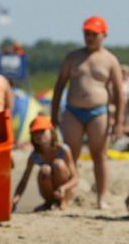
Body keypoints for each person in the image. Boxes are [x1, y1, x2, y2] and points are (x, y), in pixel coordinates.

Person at [51, 16, 124, 209]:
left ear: (104, 35)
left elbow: (118, 93)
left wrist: (118, 122)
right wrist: (53, 115)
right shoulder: (73, 57)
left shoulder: (110, 60)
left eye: (93, 34)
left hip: (98, 112)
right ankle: (66, 197)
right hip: (73, 112)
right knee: (70, 156)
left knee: (99, 156)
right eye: (86, 33)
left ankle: (101, 198)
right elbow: (59, 86)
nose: (89, 37)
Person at [11, 116, 77, 212]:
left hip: (65, 190)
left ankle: (63, 201)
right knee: (45, 169)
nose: (38, 135)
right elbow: (24, 181)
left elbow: (75, 178)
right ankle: (49, 202)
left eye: (42, 131)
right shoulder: (34, 156)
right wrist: (16, 199)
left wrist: (63, 188)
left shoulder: (63, 150)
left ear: (51, 132)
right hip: (48, 190)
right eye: (35, 133)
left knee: (58, 164)